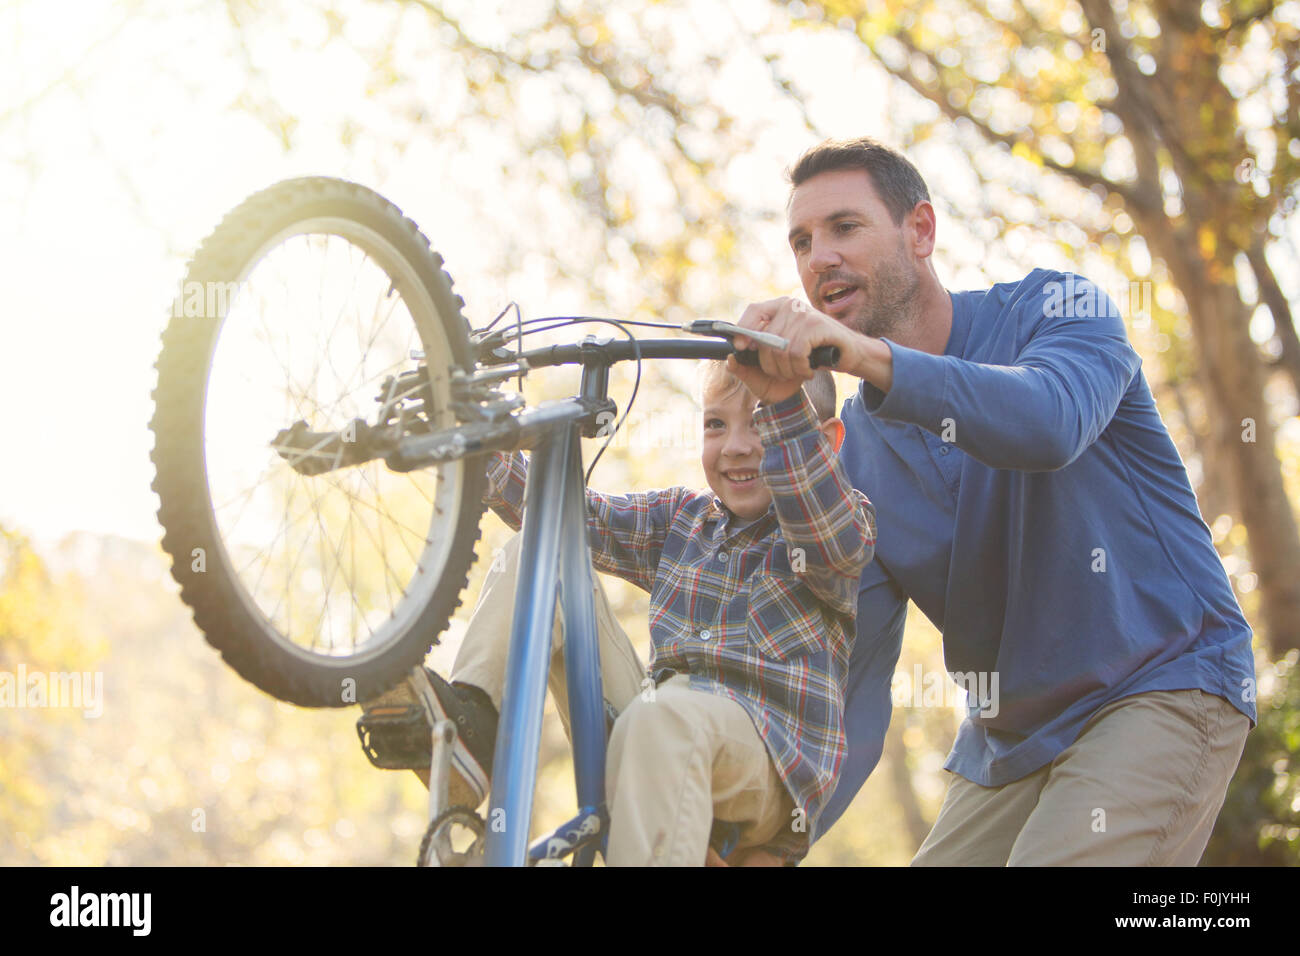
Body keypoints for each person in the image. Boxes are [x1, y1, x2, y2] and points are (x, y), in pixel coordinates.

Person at [724, 137, 1256, 865]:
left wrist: (860, 358)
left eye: (845, 227)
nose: (818, 259)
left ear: (921, 231)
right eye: (801, 242)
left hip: (1161, 684)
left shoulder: (1057, 310)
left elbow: (1046, 422)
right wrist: (776, 849)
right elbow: (857, 695)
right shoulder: (855, 465)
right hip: (1007, 746)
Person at [358, 363, 875, 865]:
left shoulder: (835, 530)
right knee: (545, 545)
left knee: (667, 719)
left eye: (766, 422)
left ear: (824, 442)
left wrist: (787, 402)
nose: (737, 445)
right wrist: (470, 438)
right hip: (652, 731)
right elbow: (570, 513)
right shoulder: (683, 520)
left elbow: (824, 522)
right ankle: (475, 727)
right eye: (717, 424)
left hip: (761, 765)